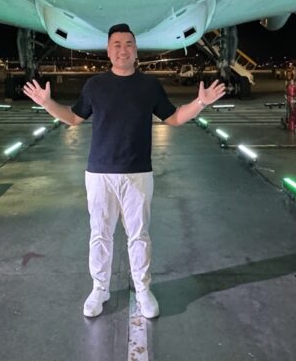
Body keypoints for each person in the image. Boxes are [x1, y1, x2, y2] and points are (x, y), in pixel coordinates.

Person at [23, 23, 226, 319]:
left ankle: (142, 290)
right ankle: (100, 289)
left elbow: (173, 118)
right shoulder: (95, 85)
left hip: (137, 173)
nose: (123, 49)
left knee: (139, 235)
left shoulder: (149, 86)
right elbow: (73, 118)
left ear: (136, 50)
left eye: (128, 44)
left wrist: (200, 102)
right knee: (100, 235)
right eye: (117, 44)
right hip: (99, 173)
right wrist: (47, 103)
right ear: (108, 51)